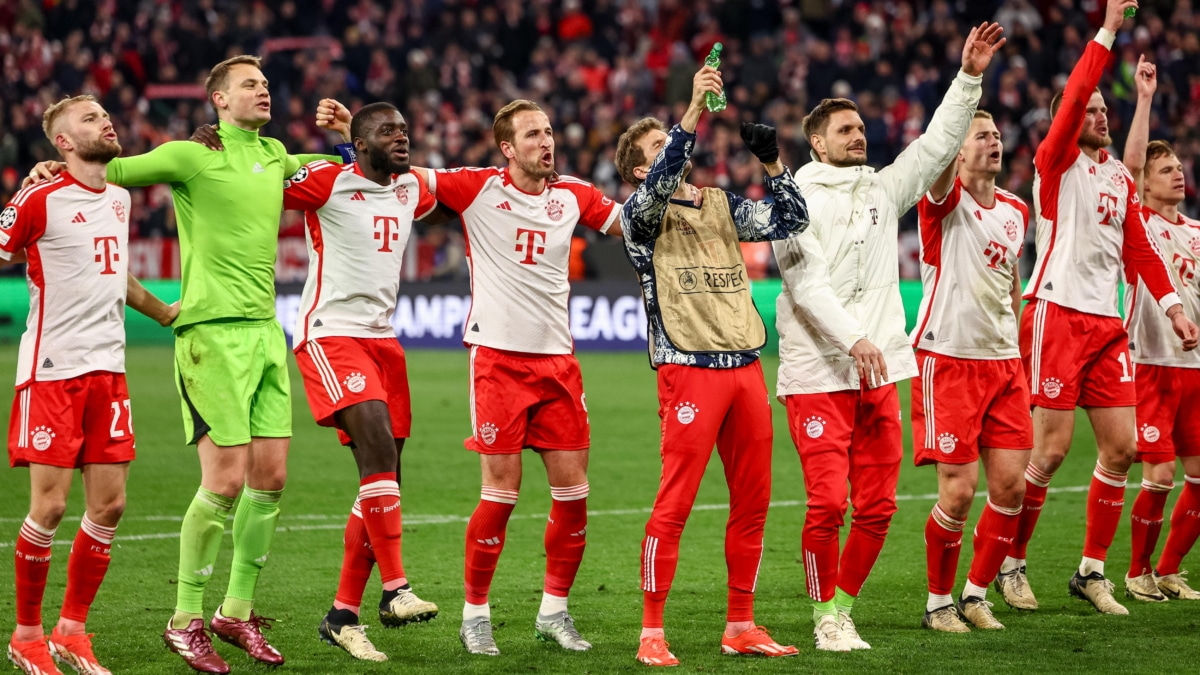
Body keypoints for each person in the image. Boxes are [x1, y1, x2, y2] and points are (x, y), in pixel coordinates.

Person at [26, 54, 352, 673]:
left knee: (271, 479)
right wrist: (51, 162)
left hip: (264, 333)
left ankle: (235, 610)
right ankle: (184, 620)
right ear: (219, 101)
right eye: (248, 85)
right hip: (208, 336)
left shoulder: (276, 154)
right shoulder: (189, 155)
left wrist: (342, 137)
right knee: (225, 482)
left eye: (264, 83)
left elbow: (342, 166)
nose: (263, 91)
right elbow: (104, 166)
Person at [772, 22, 1004, 651]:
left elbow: (934, 149)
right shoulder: (791, 198)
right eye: (845, 130)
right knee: (827, 504)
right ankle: (823, 618)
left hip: (877, 371)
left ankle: (842, 608)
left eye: (860, 126)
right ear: (816, 143)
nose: (859, 135)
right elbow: (806, 285)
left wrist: (969, 76)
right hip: (820, 370)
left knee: (876, 509)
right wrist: (854, 339)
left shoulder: (880, 189)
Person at [996, 0, 1199, 616]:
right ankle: (1011, 562)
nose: (1100, 116)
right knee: (1050, 452)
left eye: (1105, 111)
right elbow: (1082, 83)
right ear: (1066, 120)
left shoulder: (1116, 175)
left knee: (1121, 450)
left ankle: (1090, 571)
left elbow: (1136, 246)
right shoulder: (1054, 164)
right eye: (1091, 110)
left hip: (1106, 325)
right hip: (1056, 313)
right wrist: (1108, 30)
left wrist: (1171, 307)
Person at [614, 65, 809, 666]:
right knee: (675, 502)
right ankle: (651, 630)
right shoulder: (640, 215)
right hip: (688, 365)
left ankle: (741, 624)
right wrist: (695, 107)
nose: (676, 149)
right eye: (659, 147)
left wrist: (774, 164)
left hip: (745, 365)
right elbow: (673, 163)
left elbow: (792, 220)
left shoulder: (721, 204)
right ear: (642, 169)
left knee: (753, 504)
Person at [419, 99, 622, 656]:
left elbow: (630, 223)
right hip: (498, 362)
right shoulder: (476, 187)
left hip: (557, 363)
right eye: (532, 134)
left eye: (549, 131)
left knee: (574, 495)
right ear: (507, 147)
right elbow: (401, 173)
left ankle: (554, 612)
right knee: (501, 495)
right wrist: (348, 140)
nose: (546, 141)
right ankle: (475, 615)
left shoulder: (573, 194)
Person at [3, 95, 176, 675]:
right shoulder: (39, 197)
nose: (106, 121)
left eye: (106, 114)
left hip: (109, 371)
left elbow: (114, 274)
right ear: (63, 144)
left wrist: (164, 312)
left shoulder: (121, 200)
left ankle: (70, 630)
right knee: (49, 507)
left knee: (111, 504)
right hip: (53, 372)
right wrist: (23, 186)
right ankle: (26, 635)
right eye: (89, 118)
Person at [282, 102, 442, 661]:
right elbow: (254, 188)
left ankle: (343, 613)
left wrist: (358, 133)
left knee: (385, 477)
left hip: (383, 340)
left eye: (404, 128)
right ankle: (396, 589)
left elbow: (436, 194)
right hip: (331, 333)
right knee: (376, 450)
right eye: (387, 131)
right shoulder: (325, 182)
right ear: (360, 142)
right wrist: (219, 147)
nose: (401, 137)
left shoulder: (411, 190)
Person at [910, 110, 1033, 632]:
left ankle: (976, 593)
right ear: (958, 152)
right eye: (981, 135)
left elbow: (1012, 283)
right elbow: (937, 174)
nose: (994, 141)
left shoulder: (1016, 209)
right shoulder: (943, 200)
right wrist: (964, 96)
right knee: (958, 493)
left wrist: (1016, 345)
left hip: (1004, 363)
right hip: (949, 360)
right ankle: (939, 603)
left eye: (997, 135)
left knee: (1011, 488)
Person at [1121, 60, 1200, 603]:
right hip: (1150, 360)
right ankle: (1136, 571)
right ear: (1144, 184)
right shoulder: (1139, 224)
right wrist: (1144, 100)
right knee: (1161, 476)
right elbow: (1127, 167)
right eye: (1164, 168)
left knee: (1198, 478)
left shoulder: (1197, 230)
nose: (1177, 173)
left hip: (1195, 368)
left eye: (1178, 167)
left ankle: (1170, 568)